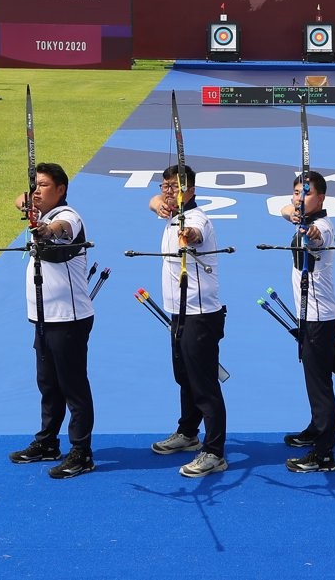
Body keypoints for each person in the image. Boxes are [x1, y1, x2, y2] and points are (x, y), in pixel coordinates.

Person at [8, 163, 96, 479]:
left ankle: (82, 452)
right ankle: (48, 443)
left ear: (61, 189)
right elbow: (19, 198)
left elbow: (61, 230)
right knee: (48, 384)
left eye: (44, 185)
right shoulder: (39, 212)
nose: (37, 191)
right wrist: (29, 204)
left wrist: (46, 230)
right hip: (43, 318)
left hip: (68, 319)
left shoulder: (68, 216)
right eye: (35, 186)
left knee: (73, 386)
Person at [147, 165, 229, 479]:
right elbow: (153, 202)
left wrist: (187, 235)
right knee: (184, 376)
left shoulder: (196, 219)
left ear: (191, 191)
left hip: (200, 314)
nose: (167, 191)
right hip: (178, 312)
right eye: (164, 185)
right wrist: (160, 202)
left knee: (205, 384)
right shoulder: (169, 208)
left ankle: (215, 452)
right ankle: (188, 433)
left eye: (175, 186)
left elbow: (195, 234)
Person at [277, 171, 335, 473]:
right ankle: (317, 429)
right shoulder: (300, 215)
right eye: (295, 192)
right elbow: (285, 209)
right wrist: (294, 211)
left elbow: (317, 238)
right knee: (312, 380)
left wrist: (308, 229)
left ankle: (324, 454)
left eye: (306, 193)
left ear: (322, 198)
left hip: (319, 318)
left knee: (320, 386)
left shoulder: (323, 227)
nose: (298, 198)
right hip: (309, 315)